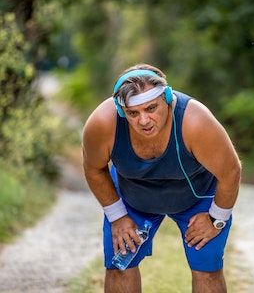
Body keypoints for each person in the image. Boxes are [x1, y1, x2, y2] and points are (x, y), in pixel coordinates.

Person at [82, 63, 241, 293]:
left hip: (198, 198)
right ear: (120, 110)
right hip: (132, 198)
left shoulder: (195, 121)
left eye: (151, 108)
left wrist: (216, 218)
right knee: (119, 265)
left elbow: (231, 171)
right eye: (133, 113)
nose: (143, 120)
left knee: (207, 268)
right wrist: (117, 216)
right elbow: (93, 168)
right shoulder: (102, 124)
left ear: (167, 98)